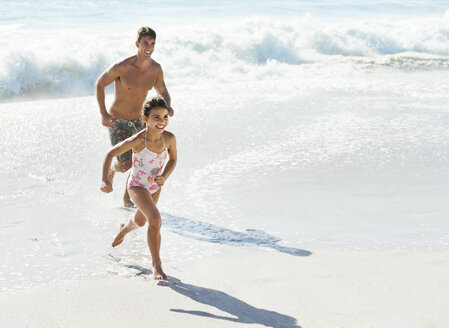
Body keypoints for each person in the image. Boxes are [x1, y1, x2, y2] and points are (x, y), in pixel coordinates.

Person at [95, 26, 174, 208]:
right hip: (117, 120)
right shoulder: (122, 66)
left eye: (152, 44)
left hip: (140, 120)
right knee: (125, 164)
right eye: (145, 43)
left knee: (138, 161)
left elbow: (164, 92)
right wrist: (103, 113)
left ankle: (127, 199)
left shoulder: (155, 69)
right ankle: (114, 169)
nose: (149, 47)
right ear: (137, 44)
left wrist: (168, 106)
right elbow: (100, 84)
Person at [101, 97, 177, 280]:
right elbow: (110, 154)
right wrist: (105, 180)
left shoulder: (169, 138)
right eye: (156, 117)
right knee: (156, 219)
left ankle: (123, 230)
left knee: (141, 222)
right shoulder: (137, 141)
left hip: (154, 187)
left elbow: (173, 160)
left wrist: (164, 177)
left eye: (165, 117)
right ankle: (157, 265)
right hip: (137, 185)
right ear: (145, 118)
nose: (162, 121)